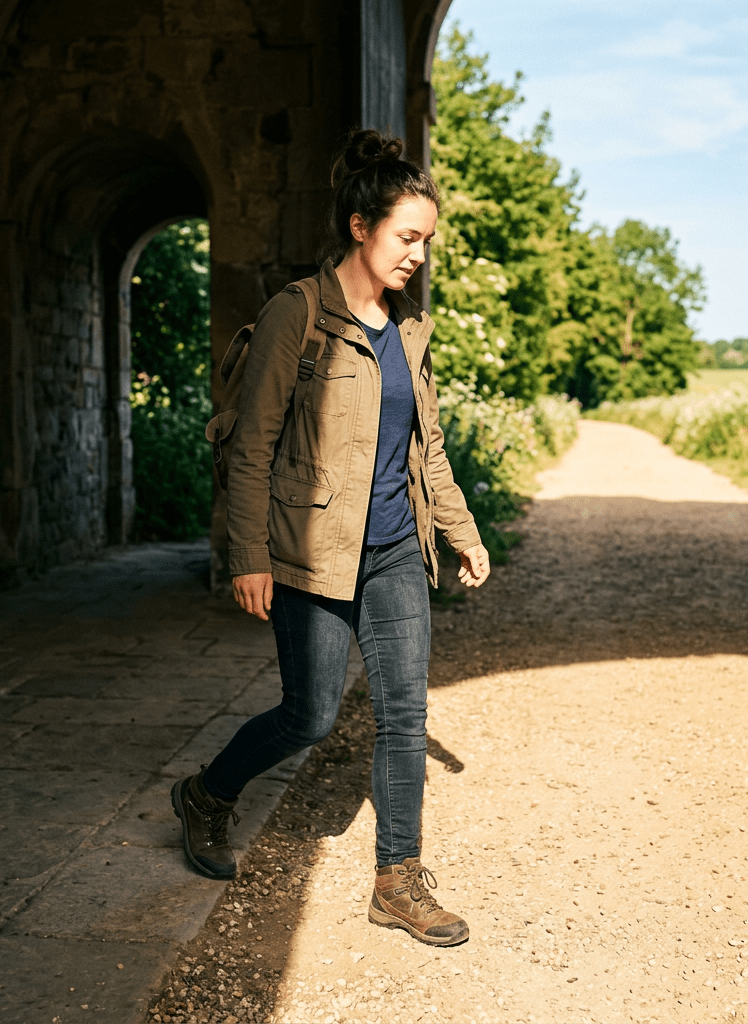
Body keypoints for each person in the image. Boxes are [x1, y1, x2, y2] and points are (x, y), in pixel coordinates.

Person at [172, 128, 490, 947]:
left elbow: (429, 447)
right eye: (406, 237)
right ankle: (208, 794)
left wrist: (460, 530)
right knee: (308, 717)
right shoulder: (297, 315)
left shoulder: (409, 330)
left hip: (392, 552)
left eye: (426, 240)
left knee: (403, 712)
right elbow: (250, 443)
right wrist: (247, 556)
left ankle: (398, 878)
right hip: (311, 554)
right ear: (360, 225)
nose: (418, 255)